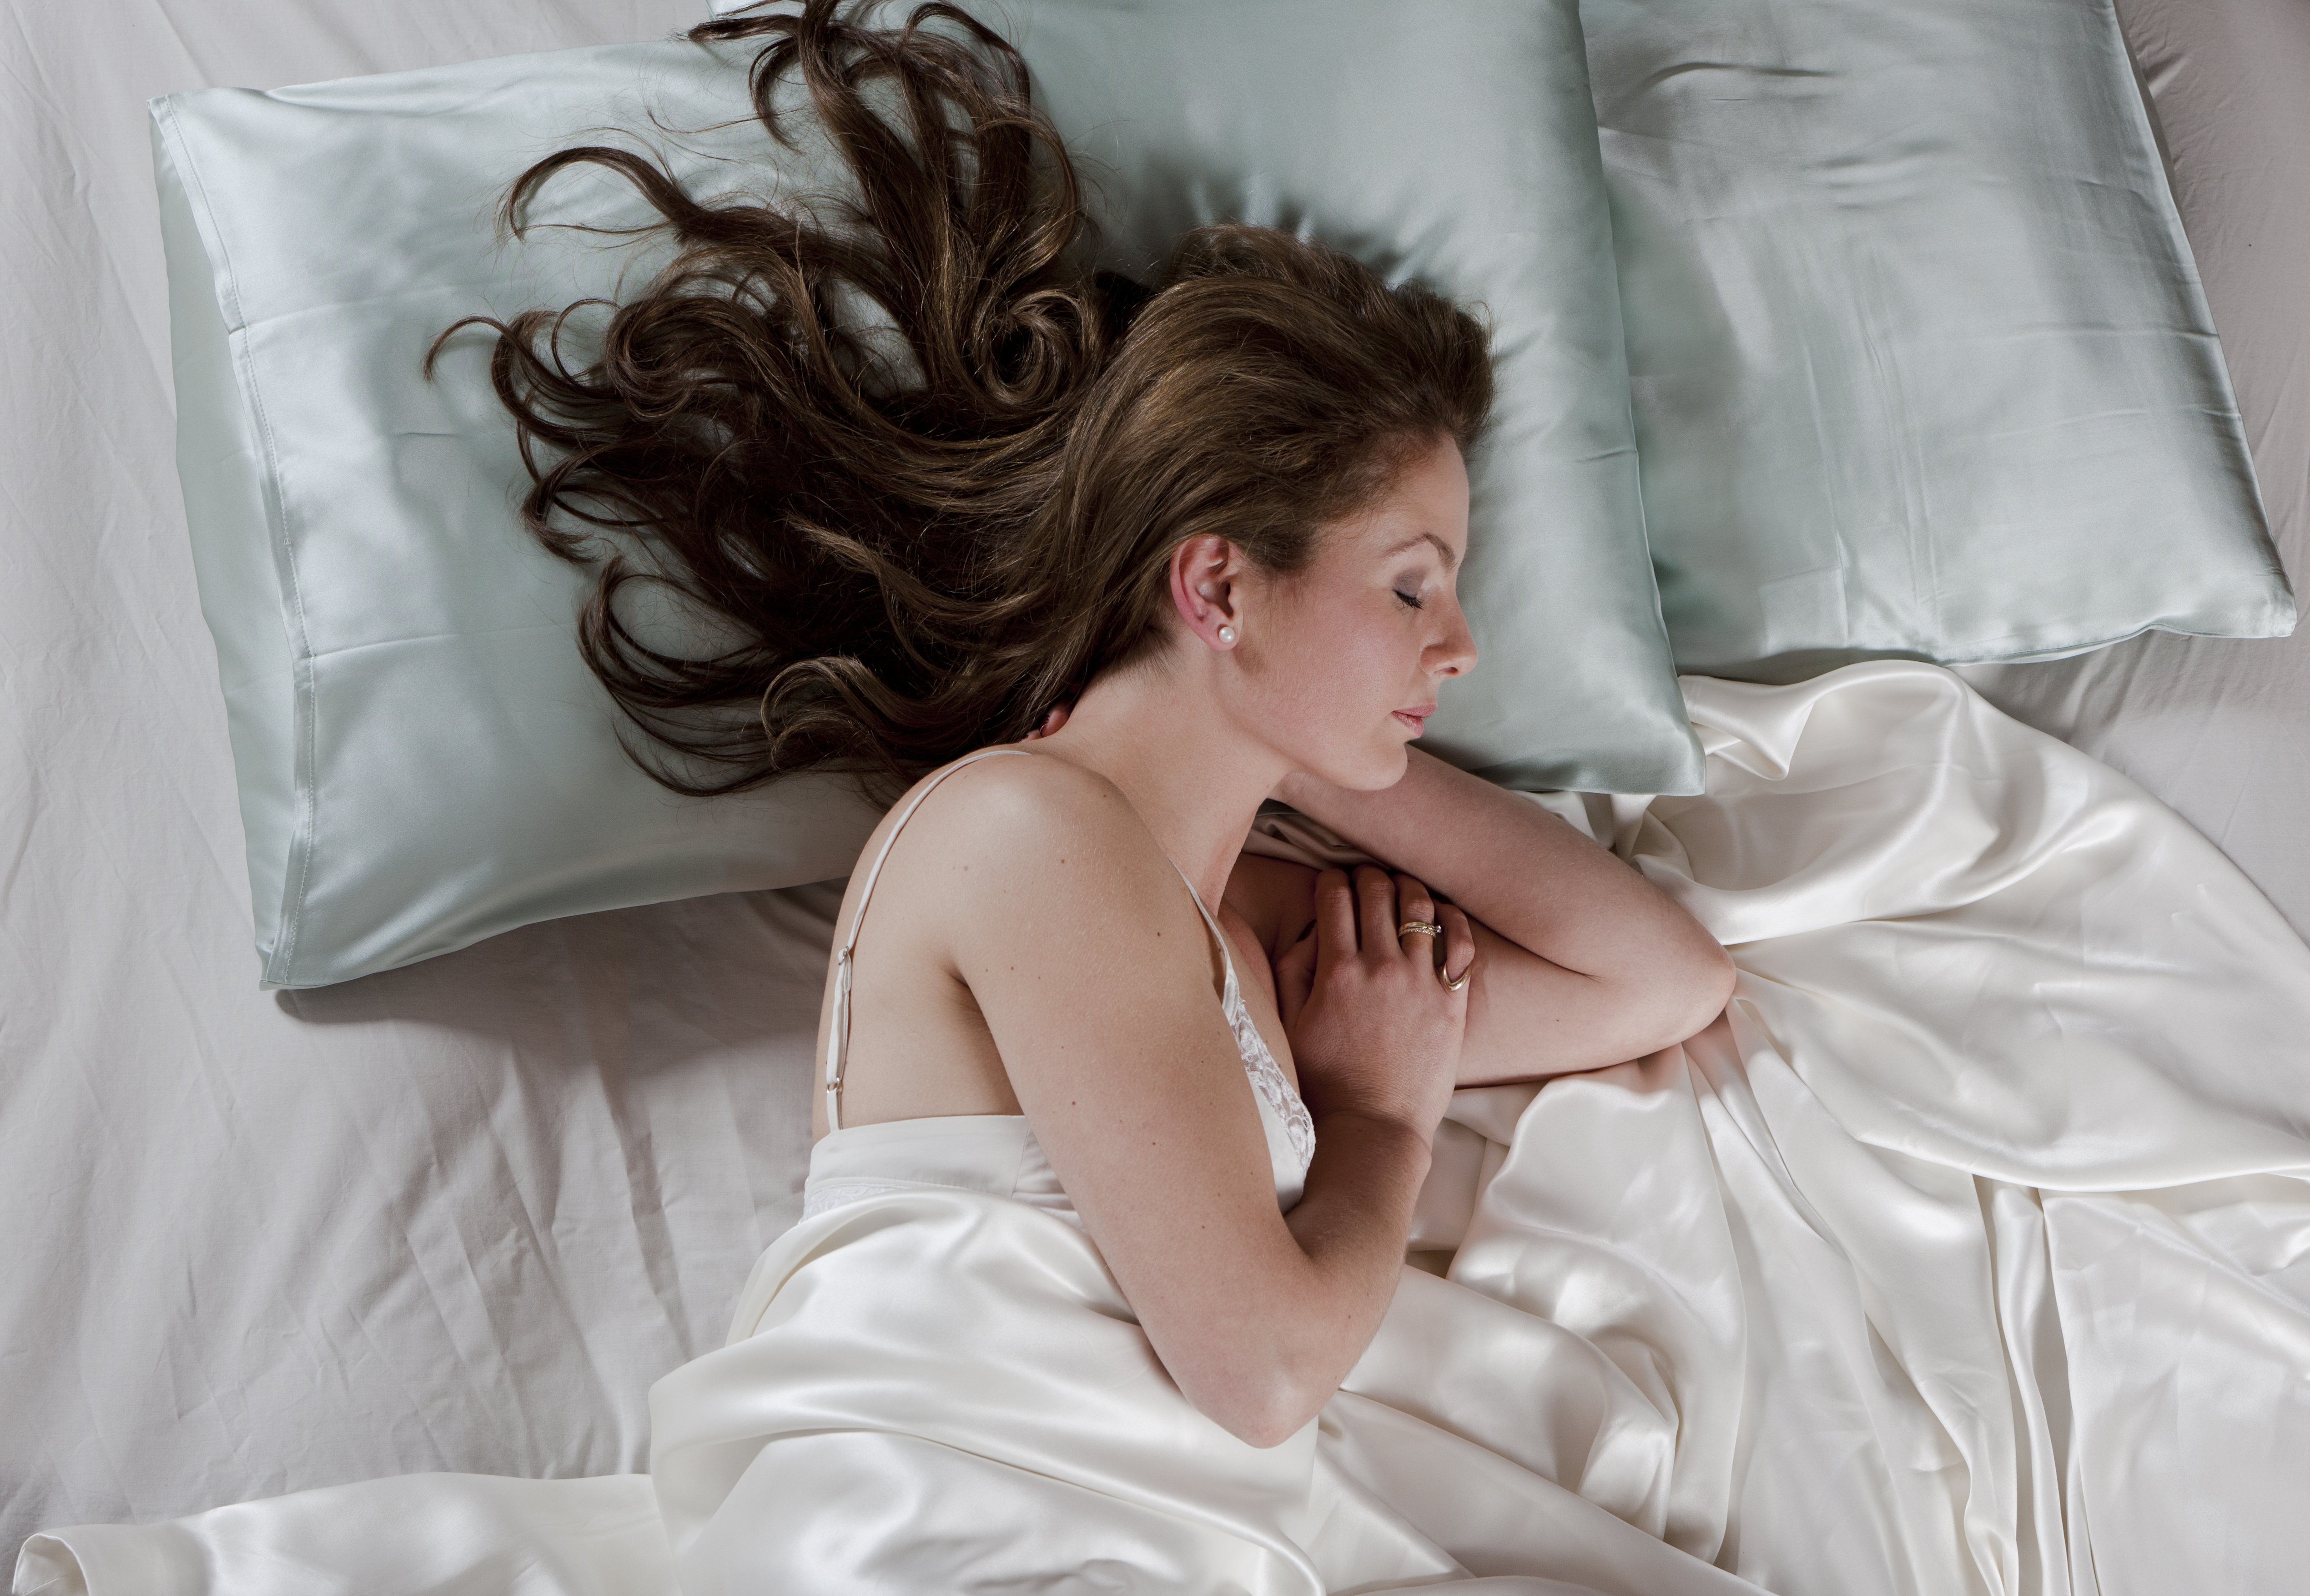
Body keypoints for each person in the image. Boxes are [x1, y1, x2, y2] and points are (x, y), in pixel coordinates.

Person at [442, 0, 1740, 1584]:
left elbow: (1659, 977)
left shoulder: (1244, 935)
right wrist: (1381, 1114)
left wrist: (1329, 744)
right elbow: (1259, 1373)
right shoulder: (1024, 834)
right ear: (1218, 584)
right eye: (1411, 589)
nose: (1463, 647)